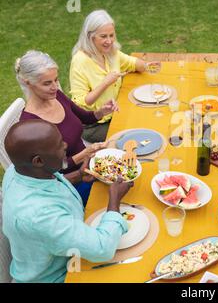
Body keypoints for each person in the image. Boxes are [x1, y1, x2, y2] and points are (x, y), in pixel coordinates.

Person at [2, 119, 133, 283]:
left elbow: (49, 185)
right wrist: (114, 199)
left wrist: (78, 175)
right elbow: (102, 248)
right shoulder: (39, 216)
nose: (65, 145)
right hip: (61, 275)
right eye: (58, 145)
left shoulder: (17, 171)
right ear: (38, 161)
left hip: (64, 250)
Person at [16, 50, 117, 205]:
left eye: (56, 80)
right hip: (71, 184)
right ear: (27, 82)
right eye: (47, 83)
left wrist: (102, 111)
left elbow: (85, 117)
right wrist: (84, 154)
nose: (55, 87)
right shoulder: (30, 124)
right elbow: (51, 170)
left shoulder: (56, 96)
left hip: (90, 165)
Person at [70, 9, 161, 142]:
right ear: (90, 36)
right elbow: (82, 103)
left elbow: (131, 63)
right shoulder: (80, 61)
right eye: (103, 36)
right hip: (94, 125)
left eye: (111, 35)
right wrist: (105, 83)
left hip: (115, 112)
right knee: (140, 133)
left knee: (151, 115)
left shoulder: (109, 52)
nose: (109, 41)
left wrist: (147, 66)